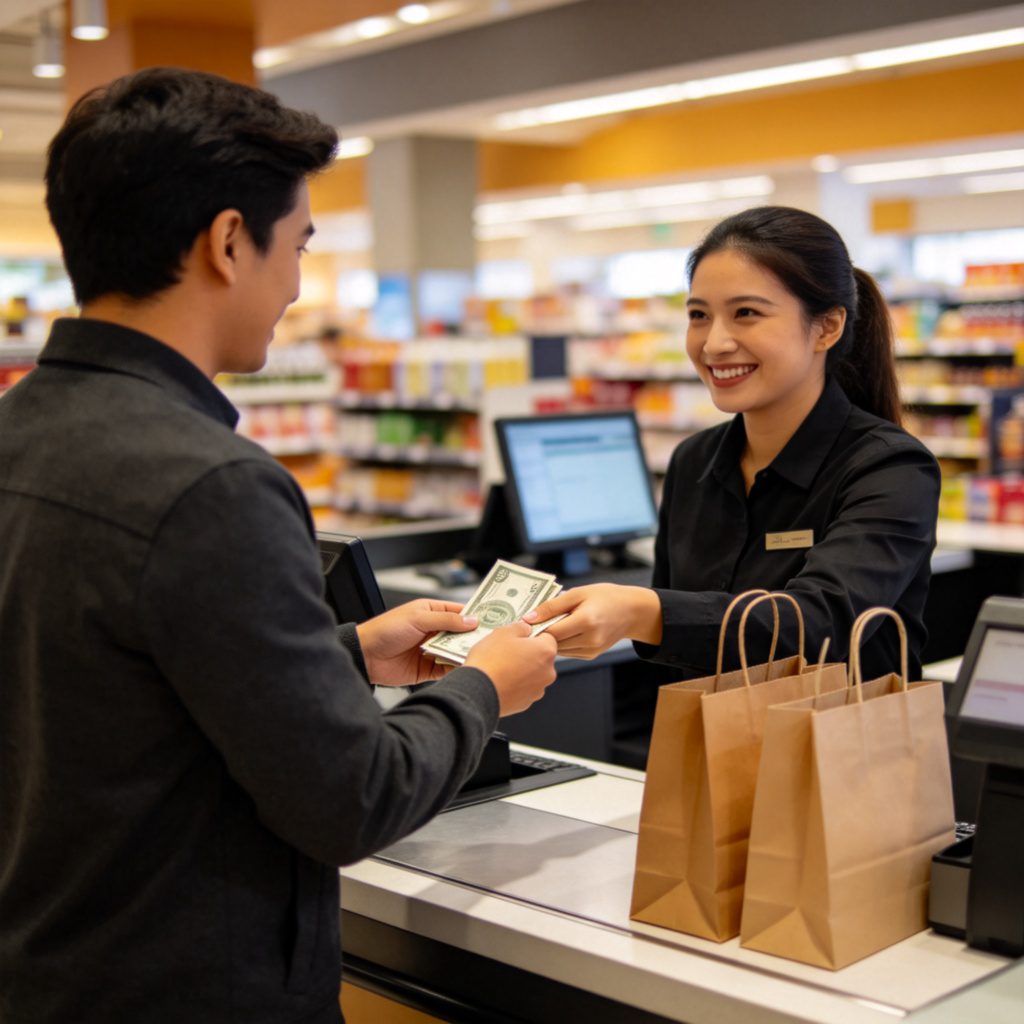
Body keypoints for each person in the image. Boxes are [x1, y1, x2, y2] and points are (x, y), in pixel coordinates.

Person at [0, 68, 557, 1024]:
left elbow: (102, 681)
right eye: (297, 245)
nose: (299, 285)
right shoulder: (214, 484)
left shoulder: (19, 431)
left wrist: (343, 653)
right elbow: (352, 800)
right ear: (226, 243)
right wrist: (483, 685)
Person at [527, 205, 940, 684]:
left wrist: (641, 609)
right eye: (699, 315)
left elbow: (820, 627)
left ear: (826, 327)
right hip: (713, 747)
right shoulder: (694, 461)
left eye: (746, 313)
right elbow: (680, 646)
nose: (714, 343)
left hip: (843, 750)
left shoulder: (891, 468)